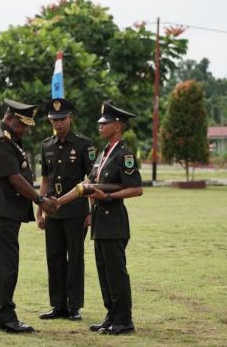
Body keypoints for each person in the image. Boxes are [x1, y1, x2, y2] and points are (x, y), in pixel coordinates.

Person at [0, 98, 57, 333]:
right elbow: (15, 178)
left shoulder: (5, 135)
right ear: (10, 118)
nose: (24, 130)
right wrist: (40, 200)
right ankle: (5, 317)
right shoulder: (2, 140)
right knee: (7, 265)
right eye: (22, 125)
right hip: (0, 209)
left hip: (1, 208)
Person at [85, 101, 143, 335]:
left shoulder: (124, 154)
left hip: (114, 220)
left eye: (105, 123)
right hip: (99, 221)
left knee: (116, 272)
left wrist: (107, 197)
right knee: (103, 270)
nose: (101, 127)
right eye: (100, 123)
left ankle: (124, 320)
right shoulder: (103, 153)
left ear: (117, 126)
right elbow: (92, 181)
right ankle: (111, 314)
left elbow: (136, 189)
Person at [36, 98, 96, 321]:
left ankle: (74, 306)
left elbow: (91, 180)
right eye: (54, 120)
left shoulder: (83, 144)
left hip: (76, 210)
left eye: (61, 119)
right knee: (54, 257)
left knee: (75, 257)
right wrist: (40, 209)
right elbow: (44, 178)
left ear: (70, 118)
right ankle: (57, 305)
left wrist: (91, 211)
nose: (58, 123)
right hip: (52, 210)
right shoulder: (46, 145)